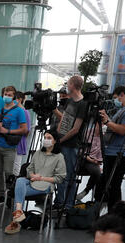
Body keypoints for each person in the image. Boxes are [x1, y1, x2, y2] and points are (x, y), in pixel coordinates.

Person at [4, 131, 66, 235]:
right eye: (45, 137)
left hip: (46, 185)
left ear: (55, 141)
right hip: (32, 181)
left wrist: (41, 178)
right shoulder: (38, 153)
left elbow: (60, 178)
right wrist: (33, 176)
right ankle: (18, 214)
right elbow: (29, 169)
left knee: (19, 189)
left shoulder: (59, 157)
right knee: (20, 180)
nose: (46, 140)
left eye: (49, 138)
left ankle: (16, 220)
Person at [89, 86, 125, 207]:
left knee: (114, 185)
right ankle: (109, 211)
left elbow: (123, 130)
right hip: (111, 151)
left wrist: (107, 122)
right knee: (108, 183)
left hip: (120, 153)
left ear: (123, 95)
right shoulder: (121, 110)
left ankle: (115, 213)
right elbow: (112, 126)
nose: (115, 101)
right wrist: (106, 119)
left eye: (116, 97)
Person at [54, 75, 88, 210]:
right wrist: (58, 133)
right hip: (62, 142)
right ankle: (59, 201)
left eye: (68, 84)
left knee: (70, 175)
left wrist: (61, 139)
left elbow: (76, 129)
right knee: (60, 174)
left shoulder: (83, 104)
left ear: (73, 85)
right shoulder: (70, 101)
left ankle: (68, 204)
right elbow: (65, 119)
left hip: (71, 145)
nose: (67, 86)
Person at [0, 85, 28, 205]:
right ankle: (1, 195)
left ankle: (11, 194)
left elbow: (24, 130)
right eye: (6, 94)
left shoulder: (19, 111)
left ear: (14, 96)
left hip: (10, 147)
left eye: (10, 95)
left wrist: (8, 131)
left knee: (8, 173)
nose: (7, 97)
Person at [74, 124, 103, 202]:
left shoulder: (105, 136)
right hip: (84, 159)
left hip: (96, 161)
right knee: (97, 171)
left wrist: (98, 161)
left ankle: (87, 191)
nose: (102, 126)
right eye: (101, 124)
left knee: (100, 173)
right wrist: (90, 159)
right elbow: (79, 150)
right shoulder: (87, 133)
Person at [12, 92, 34, 176]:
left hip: (19, 141)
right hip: (10, 142)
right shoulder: (12, 111)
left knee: (16, 165)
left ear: (20, 100)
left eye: (14, 99)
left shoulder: (25, 112)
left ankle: (14, 183)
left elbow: (27, 130)